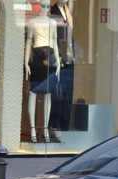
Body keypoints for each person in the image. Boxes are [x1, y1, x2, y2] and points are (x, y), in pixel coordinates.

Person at [24, 0, 60, 144]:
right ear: (39, 6)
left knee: (48, 94)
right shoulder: (32, 22)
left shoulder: (53, 23)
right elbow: (28, 42)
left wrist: (58, 60)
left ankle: (45, 129)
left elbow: (55, 42)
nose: (45, 9)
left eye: (47, 6)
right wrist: (26, 61)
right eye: (43, 6)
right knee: (33, 92)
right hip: (37, 55)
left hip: (49, 56)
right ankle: (33, 129)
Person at [49, 0, 75, 134]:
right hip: (58, 56)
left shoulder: (68, 12)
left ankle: (64, 126)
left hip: (69, 56)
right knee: (57, 93)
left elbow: (70, 36)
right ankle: (54, 124)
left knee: (67, 93)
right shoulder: (53, 12)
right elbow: (54, 37)